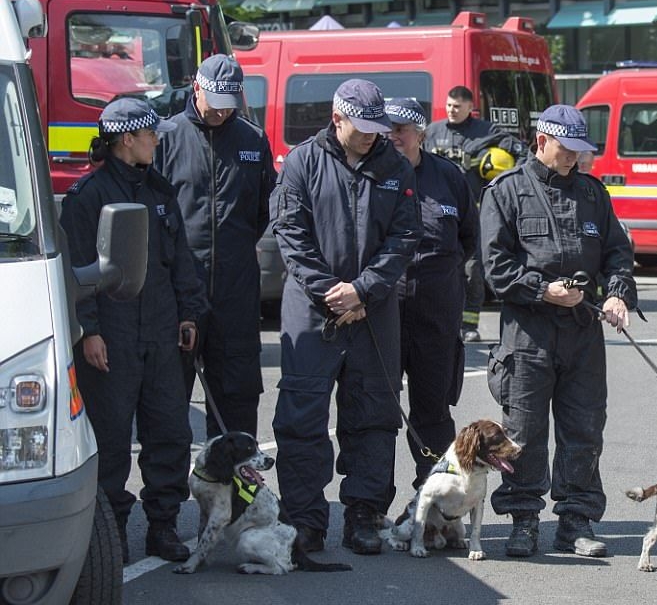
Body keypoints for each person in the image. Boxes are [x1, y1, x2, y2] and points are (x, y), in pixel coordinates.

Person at [270, 79, 421, 555]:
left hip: (373, 311)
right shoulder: (301, 162)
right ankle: (306, 520)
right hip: (313, 310)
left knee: (374, 415)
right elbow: (290, 233)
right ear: (337, 118)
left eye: (378, 128)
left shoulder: (395, 166)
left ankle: (363, 514)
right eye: (362, 128)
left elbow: (404, 238)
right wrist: (330, 292)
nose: (372, 136)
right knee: (301, 416)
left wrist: (363, 290)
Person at [481, 104, 637, 558]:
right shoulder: (506, 192)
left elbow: (617, 253)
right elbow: (495, 267)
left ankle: (576, 520)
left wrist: (617, 294)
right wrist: (542, 290)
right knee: (523, 431)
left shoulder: (592, 193)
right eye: (567, 151)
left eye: (580, 152)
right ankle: (523, 520)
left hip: (583, 330)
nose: (575, 159)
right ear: (542, 141)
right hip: (528, 332)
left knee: (584, 428)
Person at [60, 97, 208, 563]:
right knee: (109, 439)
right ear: (128, 139)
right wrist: (89, 331)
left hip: (162, 331)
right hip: (114, 334)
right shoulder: (89, 197)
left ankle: (162, 526)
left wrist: (189, 313)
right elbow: (76, 268)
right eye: (150, 135)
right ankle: (111, 533)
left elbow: (179, 258)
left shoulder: (159, 191)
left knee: (169, 432)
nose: (157, 141)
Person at [154, 54, 276, 439]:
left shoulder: (252, 140)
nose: (222, 114)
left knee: (237, 399)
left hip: (236, 293)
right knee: (169, 402)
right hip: (179, 292)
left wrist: (234, 252)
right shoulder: (167, 137)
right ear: (197, 89)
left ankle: (238, 492)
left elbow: (262, 212)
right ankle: (167, 499)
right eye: (216, 104)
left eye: (230, 106)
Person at [385, 97, 479, 496]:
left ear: (421, 135)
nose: (391, 137)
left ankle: (437, 501)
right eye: (385, 129)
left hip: (435, 315)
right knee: (375, 413)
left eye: (400, 130)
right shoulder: (370, 172)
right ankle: (369, 508)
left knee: (433, 413)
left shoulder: (449, 178)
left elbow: (469, 240)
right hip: (383, 313)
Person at [424, 85, 526, 342]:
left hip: (472, 214)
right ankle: (438, 321)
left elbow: (521, 152)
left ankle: (469, 324)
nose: (451, 110)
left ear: (470, 108)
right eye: (449, 105)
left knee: (472, 269)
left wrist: (507, 183)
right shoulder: (433, 132)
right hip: (436, 213)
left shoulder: (486, 132)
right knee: (437, 266)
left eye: (457, 106)